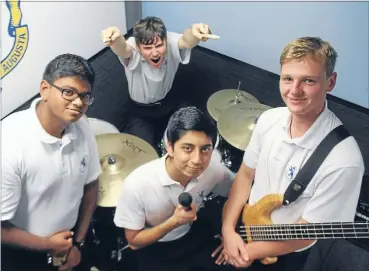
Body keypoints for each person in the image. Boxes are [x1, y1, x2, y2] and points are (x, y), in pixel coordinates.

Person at [220, 37, 365, 271]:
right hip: (245, 225)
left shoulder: (344, 161)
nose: (294, 91)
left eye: (308, 80)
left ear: (330, 82)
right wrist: (228, 230)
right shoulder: (268, 119)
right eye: (288, 79)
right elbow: (245, 175)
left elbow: (306, 233)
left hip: (284, 253)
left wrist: (246, 252)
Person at [1, 54, 102, 271]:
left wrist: (77, 243)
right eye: (68, 92)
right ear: (44, 89)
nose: (78, 103)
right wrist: (50, 246)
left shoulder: (81, 124)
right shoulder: (9, 143)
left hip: (71, 242)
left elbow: (91, 186)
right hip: (24, 255)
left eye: (85, 96)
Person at [113, 106, 235, 271]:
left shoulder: (213, 170)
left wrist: (229, 233)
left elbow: (238, 193)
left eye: (205, 149)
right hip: (155, 246)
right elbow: (134, 242)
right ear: (170, 147)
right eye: (187, 148)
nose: (197, 160)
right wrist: (174, 222)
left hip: (193, 233)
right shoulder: (136, 185)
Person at [100, 16, 218, 151]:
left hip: (168, 103)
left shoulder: (170, 41)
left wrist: (195, 31)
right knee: (144, 152)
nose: (155, 52)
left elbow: (186, 40)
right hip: (140, 111)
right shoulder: (132, 45)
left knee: (190, 138)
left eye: (159, 45)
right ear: (138, 47)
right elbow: (123, 49)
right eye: (147, 48)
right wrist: (115, 39)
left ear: (165, 41)